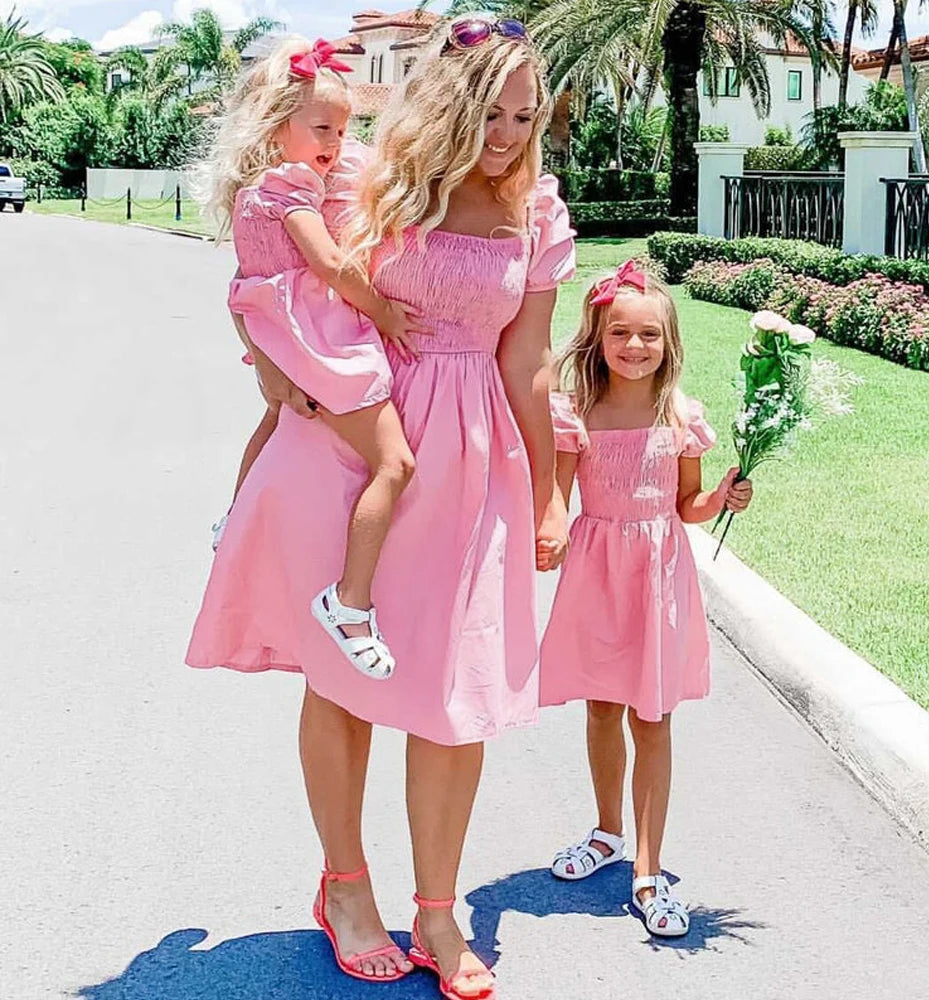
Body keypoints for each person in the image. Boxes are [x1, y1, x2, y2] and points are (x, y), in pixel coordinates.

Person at [186, 15, 574, 997]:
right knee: (345, 675)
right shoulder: (360, 180)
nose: (508, 132)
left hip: (473, 448)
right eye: (492, 110)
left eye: (526, 115)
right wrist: (285, 385)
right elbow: (267, 276)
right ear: (446, 98)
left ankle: (438, 912)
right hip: (356, 440)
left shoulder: (538, 213)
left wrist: (553, 494)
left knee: (455, 690)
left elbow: (526, 362)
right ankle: (346, 886)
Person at [199, 36, 431, 679]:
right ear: (279, 130)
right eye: (323, 126)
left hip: (284, 330)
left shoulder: (268, 184)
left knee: (274, 422)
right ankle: (349, 602)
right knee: (394, 461)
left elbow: (246, 284)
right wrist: (382, 311)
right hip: (318, 336)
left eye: (345, 126)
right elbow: (326, 260)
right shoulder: (293, 185)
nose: (337, 139)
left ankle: (235, 519)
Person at [538, 260, 753, 937]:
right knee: (603, 706)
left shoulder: (679, 413)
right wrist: (546, 531)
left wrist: (720, 497)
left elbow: (688, 505)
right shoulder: (576, 412)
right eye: (620, 333)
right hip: (598, 572)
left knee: (652, 716)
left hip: (657, 574)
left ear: (669, 342)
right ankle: (605, 833)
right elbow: (558, 499)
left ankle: (648, 867)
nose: (635, 347)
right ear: (597, 338)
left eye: (650, 335)